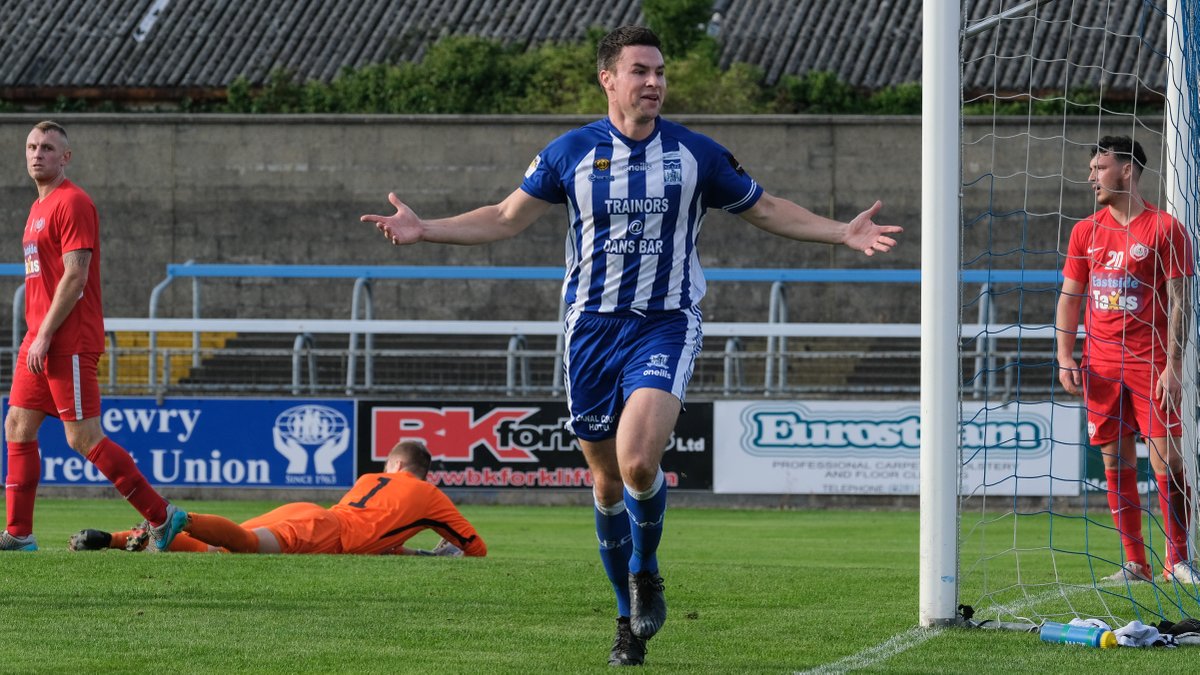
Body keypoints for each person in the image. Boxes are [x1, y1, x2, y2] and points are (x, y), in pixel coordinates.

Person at [360, 26, 901, 666]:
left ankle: (647, 572)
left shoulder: (696, 154)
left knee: (640, 461)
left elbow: (766, 208)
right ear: (608, 80)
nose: (654, 82)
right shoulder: (569, 153)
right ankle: (625, 618)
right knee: (606, 479)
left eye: (661, 72)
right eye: (640, 71)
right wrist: (427, 230)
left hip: (665, 322)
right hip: (589, 331)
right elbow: (505, 217)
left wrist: (842, 233)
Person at [3, 121, 187, 552]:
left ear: (65, 157)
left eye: (48, 148)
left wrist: (46, 334)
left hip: (66, 339)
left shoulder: (74, 202)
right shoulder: (36, 210)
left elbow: (76, 275)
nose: (37, 154)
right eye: (31, 146)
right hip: (40, 338)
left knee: (82, 437)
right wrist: (37, 335)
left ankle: (163, 516)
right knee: (17, 425)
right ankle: (19, 534)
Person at [1055, 135, 1198, 584]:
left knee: (1165, 462)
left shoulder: (1165, 228)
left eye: (1099, 167)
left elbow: (1181, 302)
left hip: (1151, 366)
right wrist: (1064, 356)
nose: (1091, 176)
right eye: (1092, 168)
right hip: (1100, 367)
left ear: (1127, 169)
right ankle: (1135, 563)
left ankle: (1177, 559)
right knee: (1115, 463)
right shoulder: (1085, 230)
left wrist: (1174, 366)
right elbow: (1069, 299)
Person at [69, 441, 486, 557]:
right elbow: (476, 548)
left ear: (393, 465)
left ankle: (115, 540)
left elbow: (379, 536)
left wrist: (413, 554)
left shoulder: (370, 478)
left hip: (311, 514)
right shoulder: (429, 494)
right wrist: (444, 550)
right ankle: (182, 517)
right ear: (420, 472)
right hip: (323, 532)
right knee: (246, 547)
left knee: (221, 547)